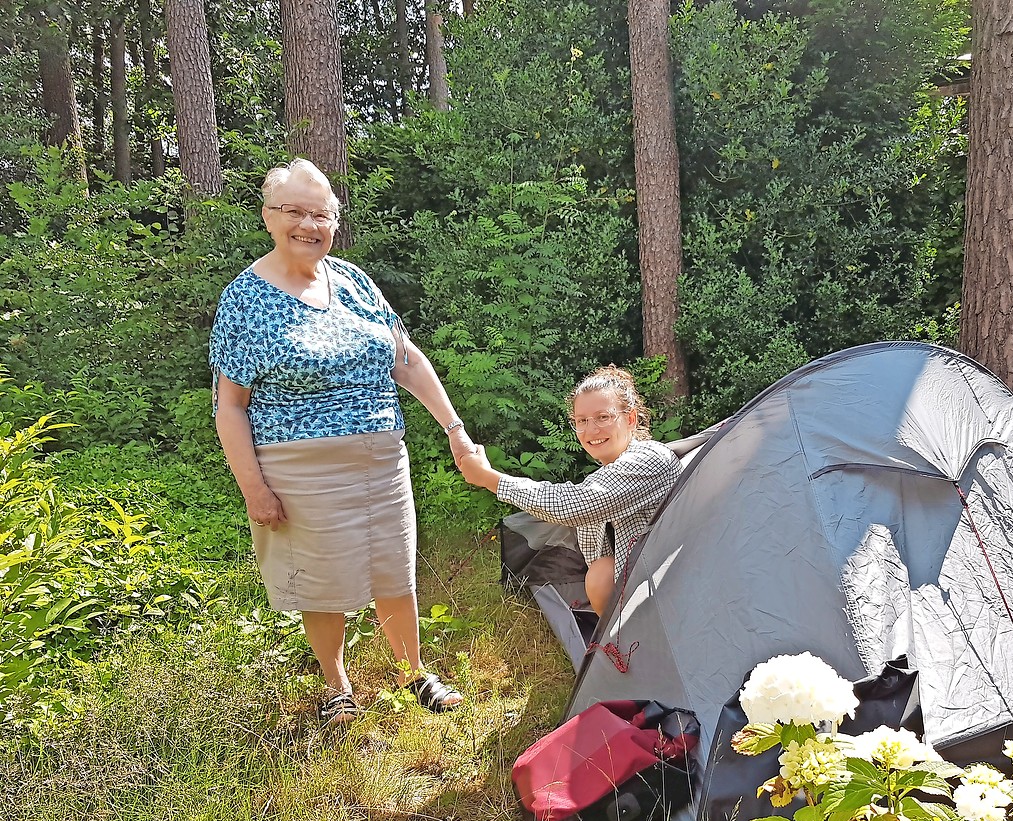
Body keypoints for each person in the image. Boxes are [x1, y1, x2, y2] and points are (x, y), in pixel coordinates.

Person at [210, 158, 476, 725]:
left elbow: (405, 358)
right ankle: (337, 688)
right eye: (294, 212)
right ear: (267, 217)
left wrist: (454, 429)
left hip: (382, 457)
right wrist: (253, 487)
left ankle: (413, 674)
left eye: (322, 214)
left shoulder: (352, 280)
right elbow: (230, 405)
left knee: (394, 569)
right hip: (301, 467)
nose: (309, 225)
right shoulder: (244, 297)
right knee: (321, 583)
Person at [456, 365, 681, 616]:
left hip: (673, 588)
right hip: (650, 584)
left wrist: (490, 479)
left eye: (603, 417)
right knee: (600, 572)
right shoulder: (609, 472)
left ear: (630, 419)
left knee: (600, 575)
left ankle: (628, 646)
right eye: (582, 421)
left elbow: (576, 505)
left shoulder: (649, 460)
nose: (591, 430)